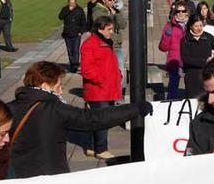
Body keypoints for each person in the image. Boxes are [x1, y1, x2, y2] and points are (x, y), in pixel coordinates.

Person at [8, 62, 150, 178]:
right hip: (50, 176)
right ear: (45, 86)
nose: (61, 91)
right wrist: (134, 109)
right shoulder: (54, 109)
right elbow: (93, 119)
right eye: (58, 87)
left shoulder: (9, 109)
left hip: (18, 178)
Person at [81, 15, 123, 159]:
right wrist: (102, 80)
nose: (111, 31)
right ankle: (101, 148)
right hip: (98, 90)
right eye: (109, 29)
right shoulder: (90, 44)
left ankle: (92, 147)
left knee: (97, 119)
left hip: (107, 88)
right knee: (102, 120)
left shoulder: (105, 41)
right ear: (100, 29)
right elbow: (87, 69)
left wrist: (118, 75)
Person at [91, 0, 127, 95]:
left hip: (116, 46)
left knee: (120, 70)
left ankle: (117, 92)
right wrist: (112, 14)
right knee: (106, 71)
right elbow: (104, 25)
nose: (112, 2)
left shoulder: (115, 11)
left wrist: (117, 13)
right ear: (103, 0)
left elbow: (123, 25)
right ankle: (108, 91)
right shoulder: (97, 11)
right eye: (110, 0)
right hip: (104, 46)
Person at [181, 15, 214, 98]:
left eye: (201, 25)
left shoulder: (209, 38)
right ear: (190, 26)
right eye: (196, 26)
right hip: (192, 76)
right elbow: (186, 59)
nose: (199, 28)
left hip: (207, 75)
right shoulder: (185, 40)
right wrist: (204, 61)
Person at [159, 2, 189, 99]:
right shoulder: (169, 26)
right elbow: (163, 47)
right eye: (178, 11)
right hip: (175, 61)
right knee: (172, 89)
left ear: (187, 12)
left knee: (190, 88)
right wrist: (166, 35)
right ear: (174, 12)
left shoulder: (192, 25)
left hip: (189, 60)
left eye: (183, 11)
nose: (181, 13)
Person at [58, 0, 87, 73]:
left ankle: (75, 65)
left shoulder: (80, 10)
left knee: (76, 50)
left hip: (77, 34)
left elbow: (84, 22)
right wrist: (68, 10)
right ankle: (72, 64)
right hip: (67, 34)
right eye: (71, 3)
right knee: (70, 50)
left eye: (73, 3)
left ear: (76, 2)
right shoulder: (65, 9)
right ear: (68, 3)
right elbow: (60, 17)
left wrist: (81, 31)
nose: (72, 5)